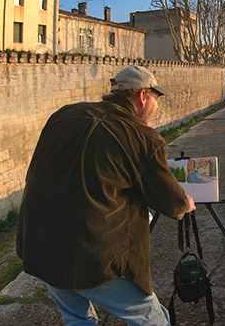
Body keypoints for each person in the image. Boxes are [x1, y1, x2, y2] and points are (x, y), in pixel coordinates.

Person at [16, 65, 196, 325]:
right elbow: (171, 201)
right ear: (142, 96)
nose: (157, 108)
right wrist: (185, 204)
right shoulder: (143, 137)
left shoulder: (65, 114)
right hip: (91, 254)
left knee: (77, 318)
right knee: (151, 318)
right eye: (157, 100)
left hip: (40, 246)